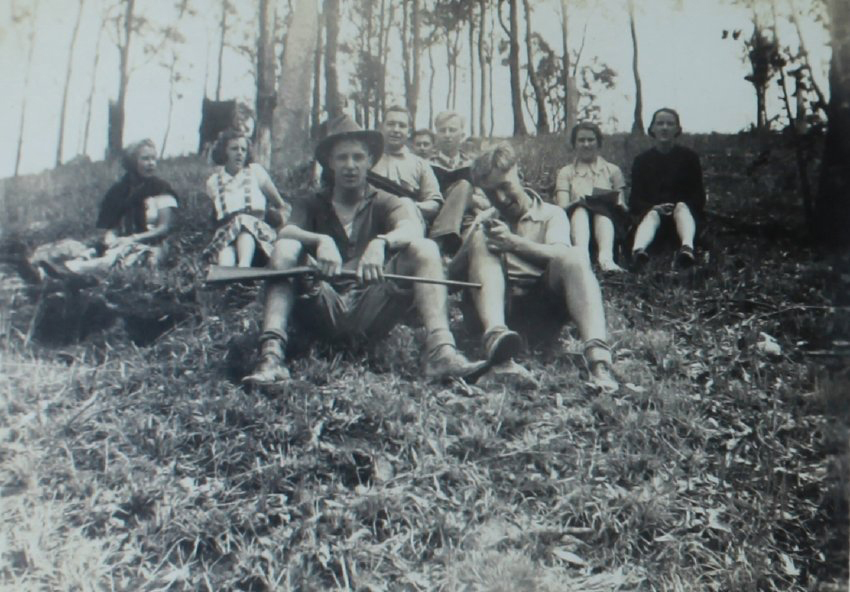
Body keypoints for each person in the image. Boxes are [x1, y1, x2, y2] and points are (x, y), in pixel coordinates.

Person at [243, 115, 487, 385]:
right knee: (287, 246)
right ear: (330, 164)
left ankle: (442, 353)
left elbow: (412, 228)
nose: (350, 166)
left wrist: (381, 243)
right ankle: (271, 355)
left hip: (371, 307)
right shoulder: (312, 202)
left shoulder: (386, 200)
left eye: (358, 157)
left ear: (370, 161)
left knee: (425, 247)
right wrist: (320, 241)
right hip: (321, 304)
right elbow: (286, 232)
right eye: (342, 158)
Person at [451, 142, 618, 392]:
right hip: (495, 312)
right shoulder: (485, 220)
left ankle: (599, 362)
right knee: (480, 238)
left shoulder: (552, 214)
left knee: (574, 256)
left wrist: (512, 243)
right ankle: (497, 342)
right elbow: (452, 275)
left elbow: (560, 258)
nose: (501, 199)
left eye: (504, 187)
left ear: (519, 174)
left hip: (540, 313)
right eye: (490, 194)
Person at [40, 138, 179, 276]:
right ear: (132, 162)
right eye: (145, 159)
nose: (151, 164)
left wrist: (132, 239)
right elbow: (113, 227)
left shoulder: (161, 189)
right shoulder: (118, 191)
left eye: (154, 159)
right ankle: (48, 274)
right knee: (90, 252)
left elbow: (164, 228)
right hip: (121, 242)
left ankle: (69, 271)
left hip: (151, 245)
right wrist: (111, 238)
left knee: (116, 260)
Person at [629, 108, 706, 269]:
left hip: (684, 220)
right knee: (652, 214)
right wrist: (654, 207)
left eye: (670, 124)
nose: (664, 128)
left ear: (677, 129)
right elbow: (634, 200)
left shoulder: (689, 158)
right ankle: (638, 251)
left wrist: (679, 206)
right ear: (652, 129)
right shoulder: (641, 161)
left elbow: (699, 196)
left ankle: (687, 248)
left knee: (682, 207)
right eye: (660, 123)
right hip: (652, 221)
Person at [203, 129, 290, 267]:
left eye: (243, 149)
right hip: (228, 234)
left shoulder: (255, 172)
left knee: (244, 226)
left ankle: (244, 267)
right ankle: (227, 276)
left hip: (258, 234)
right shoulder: (213, 182)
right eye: (234, 149)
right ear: (223, 151)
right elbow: (215, 217)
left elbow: (280, 204)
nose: (239, 153)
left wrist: (280, 224)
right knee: (226, 252)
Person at [555, 122, 628, 272]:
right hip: (576, 225)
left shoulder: (613, 170)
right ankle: (582, 258)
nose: (586, 144)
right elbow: (561, 209)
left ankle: (606, 259)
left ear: (598, 142)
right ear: (574, 144)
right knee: (581, 210)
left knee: (601, 211)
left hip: (608, 227)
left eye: (591, 140)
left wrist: (616, 202)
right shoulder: (566, 172)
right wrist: (578, 201)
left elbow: (624, 207)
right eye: (581, 140)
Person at [428, 111, 490, 255]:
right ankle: (441, 242)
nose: (447, 135)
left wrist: (466, 198)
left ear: (462, 134)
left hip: (467, 219)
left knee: (463, 186)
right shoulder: (426, 164)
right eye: (442, 130)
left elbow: (486, 202)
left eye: (452, 130)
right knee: (464, 185)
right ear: (436, 135)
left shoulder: (474, 165)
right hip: (436, 218)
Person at [371, 106, 443, 224]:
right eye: (391, 124)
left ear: (409, 131)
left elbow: (434, 203)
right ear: (381, 127)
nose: (396, 129)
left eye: (402, 126)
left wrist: (410, 206)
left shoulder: (420, 164)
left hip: (410, 221)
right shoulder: (368, 160)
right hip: (373, 222)